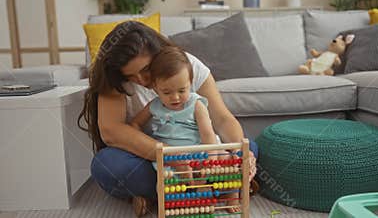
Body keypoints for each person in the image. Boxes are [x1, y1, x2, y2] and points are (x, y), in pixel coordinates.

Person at [78, 21, 259, 217]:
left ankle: (164, 195)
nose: (142, 79)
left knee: (249, 148)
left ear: (159, 52)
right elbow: (111, 132)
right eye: (131, 76)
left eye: (146, 69)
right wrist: (170, 156)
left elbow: (222, 119)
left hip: (201, 156)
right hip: (151, 160)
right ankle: (197, 190)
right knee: (106, 164)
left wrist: (240, 153)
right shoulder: (113, 79)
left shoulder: (186, 66)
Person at [131, 46, 240, 212]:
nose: (175, 97)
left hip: (201, 151)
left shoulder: (196, 104)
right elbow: (135, 124)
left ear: (190, 83)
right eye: (166, 92)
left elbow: (208, 134)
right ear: (155, 87)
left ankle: (231, 195)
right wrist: (139, 138)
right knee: (170, 184)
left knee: (230, 162)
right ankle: (187, 199)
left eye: (182, 90)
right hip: (172, 157)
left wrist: (210, 160)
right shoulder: (154, 106)